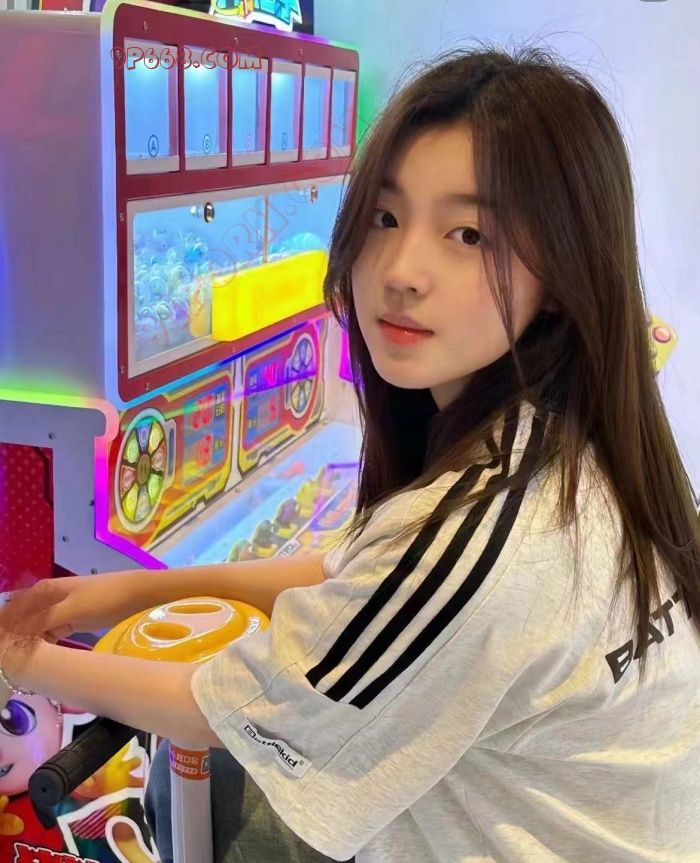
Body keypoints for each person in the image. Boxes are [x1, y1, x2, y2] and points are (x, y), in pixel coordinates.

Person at [0, 42, 699, 863]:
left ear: (564, 268)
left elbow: (227, 706)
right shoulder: (567, 439)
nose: (401, 270)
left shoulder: (495, 534)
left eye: (469, 233)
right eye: (385, 217)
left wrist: (23, 659)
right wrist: (128, 591)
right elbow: (362, 572)